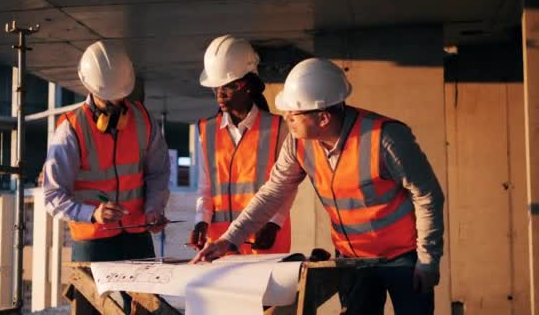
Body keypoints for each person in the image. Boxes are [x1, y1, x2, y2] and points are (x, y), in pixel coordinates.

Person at [193, 58, 444, 314]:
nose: (287, 119)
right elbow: (273, 192)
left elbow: (428, 196)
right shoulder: (298, 142)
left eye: (294, 113)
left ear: (323, 117)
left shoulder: (386, 138)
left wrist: (428, 260)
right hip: (352, 259)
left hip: (404, 258)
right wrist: (229, 240)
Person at [43, 41, 170, 312]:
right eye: (108, 98)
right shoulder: (71, 129)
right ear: (90, 88)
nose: (116, 104)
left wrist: (153, 210)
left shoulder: (143, 120)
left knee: (149, 309)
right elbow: (52, 197)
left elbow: (158, 173)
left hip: (137, 236)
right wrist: (92, 213)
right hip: (93, 243)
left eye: (120, 97)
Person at [189, 35, 294, 254]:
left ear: (247, 86)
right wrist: (201, 221)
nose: (219, 94)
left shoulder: (278, 128)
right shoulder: (206, 131)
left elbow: (287, 185)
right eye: (215, 87)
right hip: (220, 244)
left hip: (264, 240)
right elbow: (205, 188)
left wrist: (274, 223)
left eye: (227, 87)